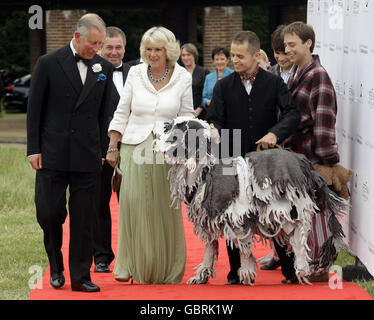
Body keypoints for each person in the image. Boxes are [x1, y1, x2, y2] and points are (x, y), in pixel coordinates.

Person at [27, 13, 113, 293]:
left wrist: (103, 147)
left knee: (84, 217)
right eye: (93, 43)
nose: (97, 49)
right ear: (77, 37)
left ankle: (81, 276)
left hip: (87, 154)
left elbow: (105, 113)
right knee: (50, 213)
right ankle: (55, 265)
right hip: (52, 153)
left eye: (100, 44)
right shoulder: (48, 63)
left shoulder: (104, 68)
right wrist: (34, 149)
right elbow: (34, 110)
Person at [206, 30, 300, 285]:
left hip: (265, 157)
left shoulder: (274, 82)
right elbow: (214, 117)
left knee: (273, 211)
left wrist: (274, 133)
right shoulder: (223, 85)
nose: (234, 60)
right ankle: (236, 271)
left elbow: (292, 113)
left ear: (256, 55)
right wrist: (213, 129)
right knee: (231, 212)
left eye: (240, 56)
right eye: (232, 55)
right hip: (229, 156)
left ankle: (289, 270)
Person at [106, 26, 195, 284]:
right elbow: (122, 111)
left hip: (167, 153)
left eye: (158, 49)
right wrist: (113, 146)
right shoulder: (135, 72)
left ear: (169, 51)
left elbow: (187, 114)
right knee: (134, 205)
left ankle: (166, 268)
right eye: (149, 49)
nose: (153, 54)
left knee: (164, 210)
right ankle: (131, 265)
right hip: (134, 147)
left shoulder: (182, 76)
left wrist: (186, 149)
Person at [275, 21, 342, 284]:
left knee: (317, 213)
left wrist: (325, 162)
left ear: (308, 43)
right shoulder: (297, 72)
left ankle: (322, 267)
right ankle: (309, 265)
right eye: (285, 45)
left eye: (292, 44)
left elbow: (325, 119)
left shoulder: (318, 74)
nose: (287, 49)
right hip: (296, 156)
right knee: (303, 213)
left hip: (313, 157)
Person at [91, 26, 130, 274]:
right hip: (98, 150)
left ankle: (133, 254)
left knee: (132, 203)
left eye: (118, 47)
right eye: (109, 47)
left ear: (124, 48)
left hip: (132, 150)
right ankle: (102, 256)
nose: (114, 52)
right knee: (98, 205)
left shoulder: (137, 73)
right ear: (100, 47)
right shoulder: (90, 73)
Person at [259, 24, 295, 271]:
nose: (281, 57)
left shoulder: (302, 72)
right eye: (277, 52)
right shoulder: (271, 73)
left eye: (285, 51)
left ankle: (295, 255)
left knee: (289, 208)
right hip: (271, 149)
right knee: (270, 205)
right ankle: (277, 252)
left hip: (293, 147)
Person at [180, 43, 209, 119]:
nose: (186, 57)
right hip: (182, 114)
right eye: (183, 55)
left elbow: (207, 94)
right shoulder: (179, 73)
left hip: (201, 114)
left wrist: (199, 109)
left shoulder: (204, 72)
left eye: (188, 55)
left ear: (194, 55)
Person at [202, 46, 234, 111]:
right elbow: (204, 98)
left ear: (227, 60)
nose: (219, 62)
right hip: (212, 112)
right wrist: (207, 102)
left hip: (230, 112)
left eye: (222, 59)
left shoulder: (234, 75)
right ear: (214, 61)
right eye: (217, 59)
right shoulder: (208, 77)